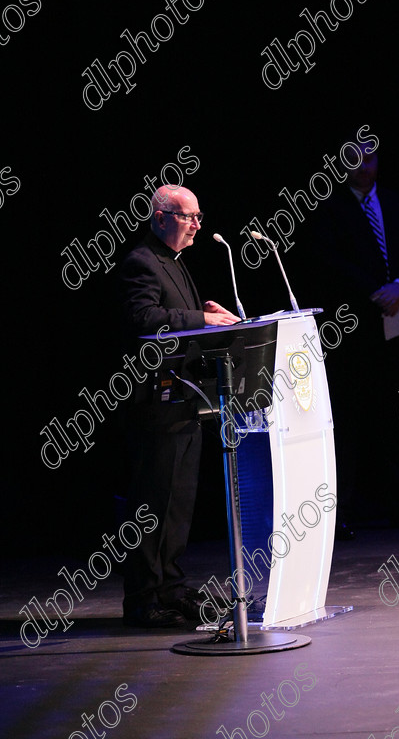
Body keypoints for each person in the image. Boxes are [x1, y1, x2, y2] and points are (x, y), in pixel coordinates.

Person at [120, 184, 238, 627]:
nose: (197, 225)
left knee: (179, 502)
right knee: (153, 503)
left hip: (185, 401)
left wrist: (210, 314)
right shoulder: (141, 262)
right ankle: (143, 598)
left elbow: (182, 320)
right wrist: (201, 319)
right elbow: (144, 321)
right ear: (162, 216)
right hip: (155, 406)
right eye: (189, 216)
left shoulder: (176, 263)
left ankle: (169, 586)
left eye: (199, 216)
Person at [321, 140, 399, 528]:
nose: (363, 166)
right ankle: (345, 513)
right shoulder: (330, 209)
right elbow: (330, 262)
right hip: (353, 329)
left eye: (369, 158)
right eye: (354, 159)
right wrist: (376, 291)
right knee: (349, 421)